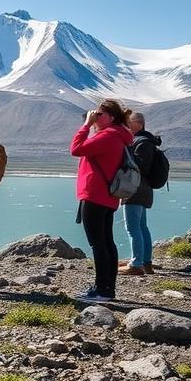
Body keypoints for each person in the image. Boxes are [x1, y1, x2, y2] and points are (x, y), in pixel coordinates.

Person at [70, 98, 134, 302]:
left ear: (112, 117)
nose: (95, 117)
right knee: (106, 242)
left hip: (95, 194)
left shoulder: (108, 136)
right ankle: (107, 288)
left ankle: (102, 290)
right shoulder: (117, 136)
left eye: (100, 114)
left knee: (98, 243)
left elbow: (76, 149)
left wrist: (86, 125)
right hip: (107, 196)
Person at [120, 112, 161, 276]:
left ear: (139, 123)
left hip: (134, 189)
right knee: (142, 226)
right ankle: (146, 262)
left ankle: (136, 264)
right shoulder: (147, 141)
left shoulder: (140, 142)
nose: (126, 126)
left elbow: (139, 167)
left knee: (132, 227)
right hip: (145, 189)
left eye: (129, 123)